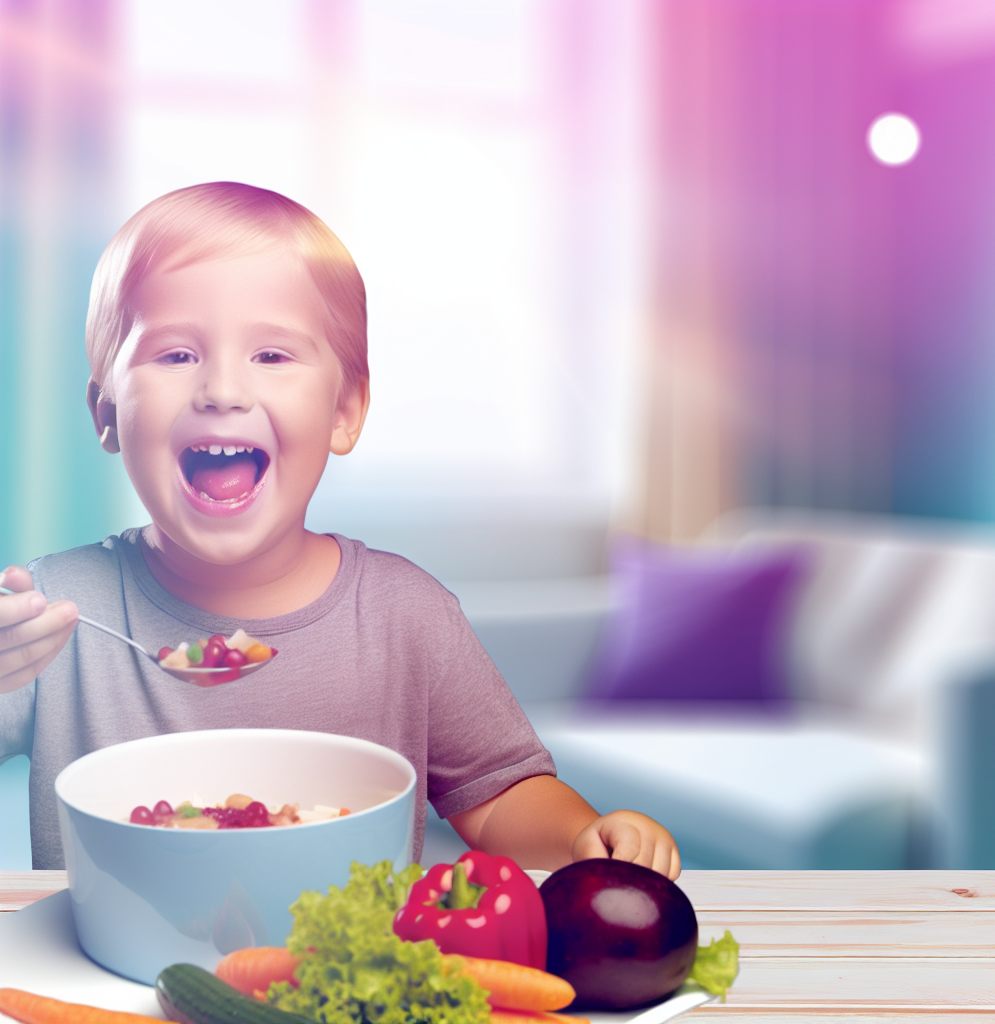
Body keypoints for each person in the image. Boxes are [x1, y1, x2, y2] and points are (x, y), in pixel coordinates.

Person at [0, 182, 679, 878]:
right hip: (95, 983)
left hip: (346, 983)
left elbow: (502, 796)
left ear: (345, 410)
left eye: (272, 355)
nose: (224, 390)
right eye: (176, 355)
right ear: (105, 412)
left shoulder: (403, 615)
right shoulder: (51, 614)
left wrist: (584, 839)